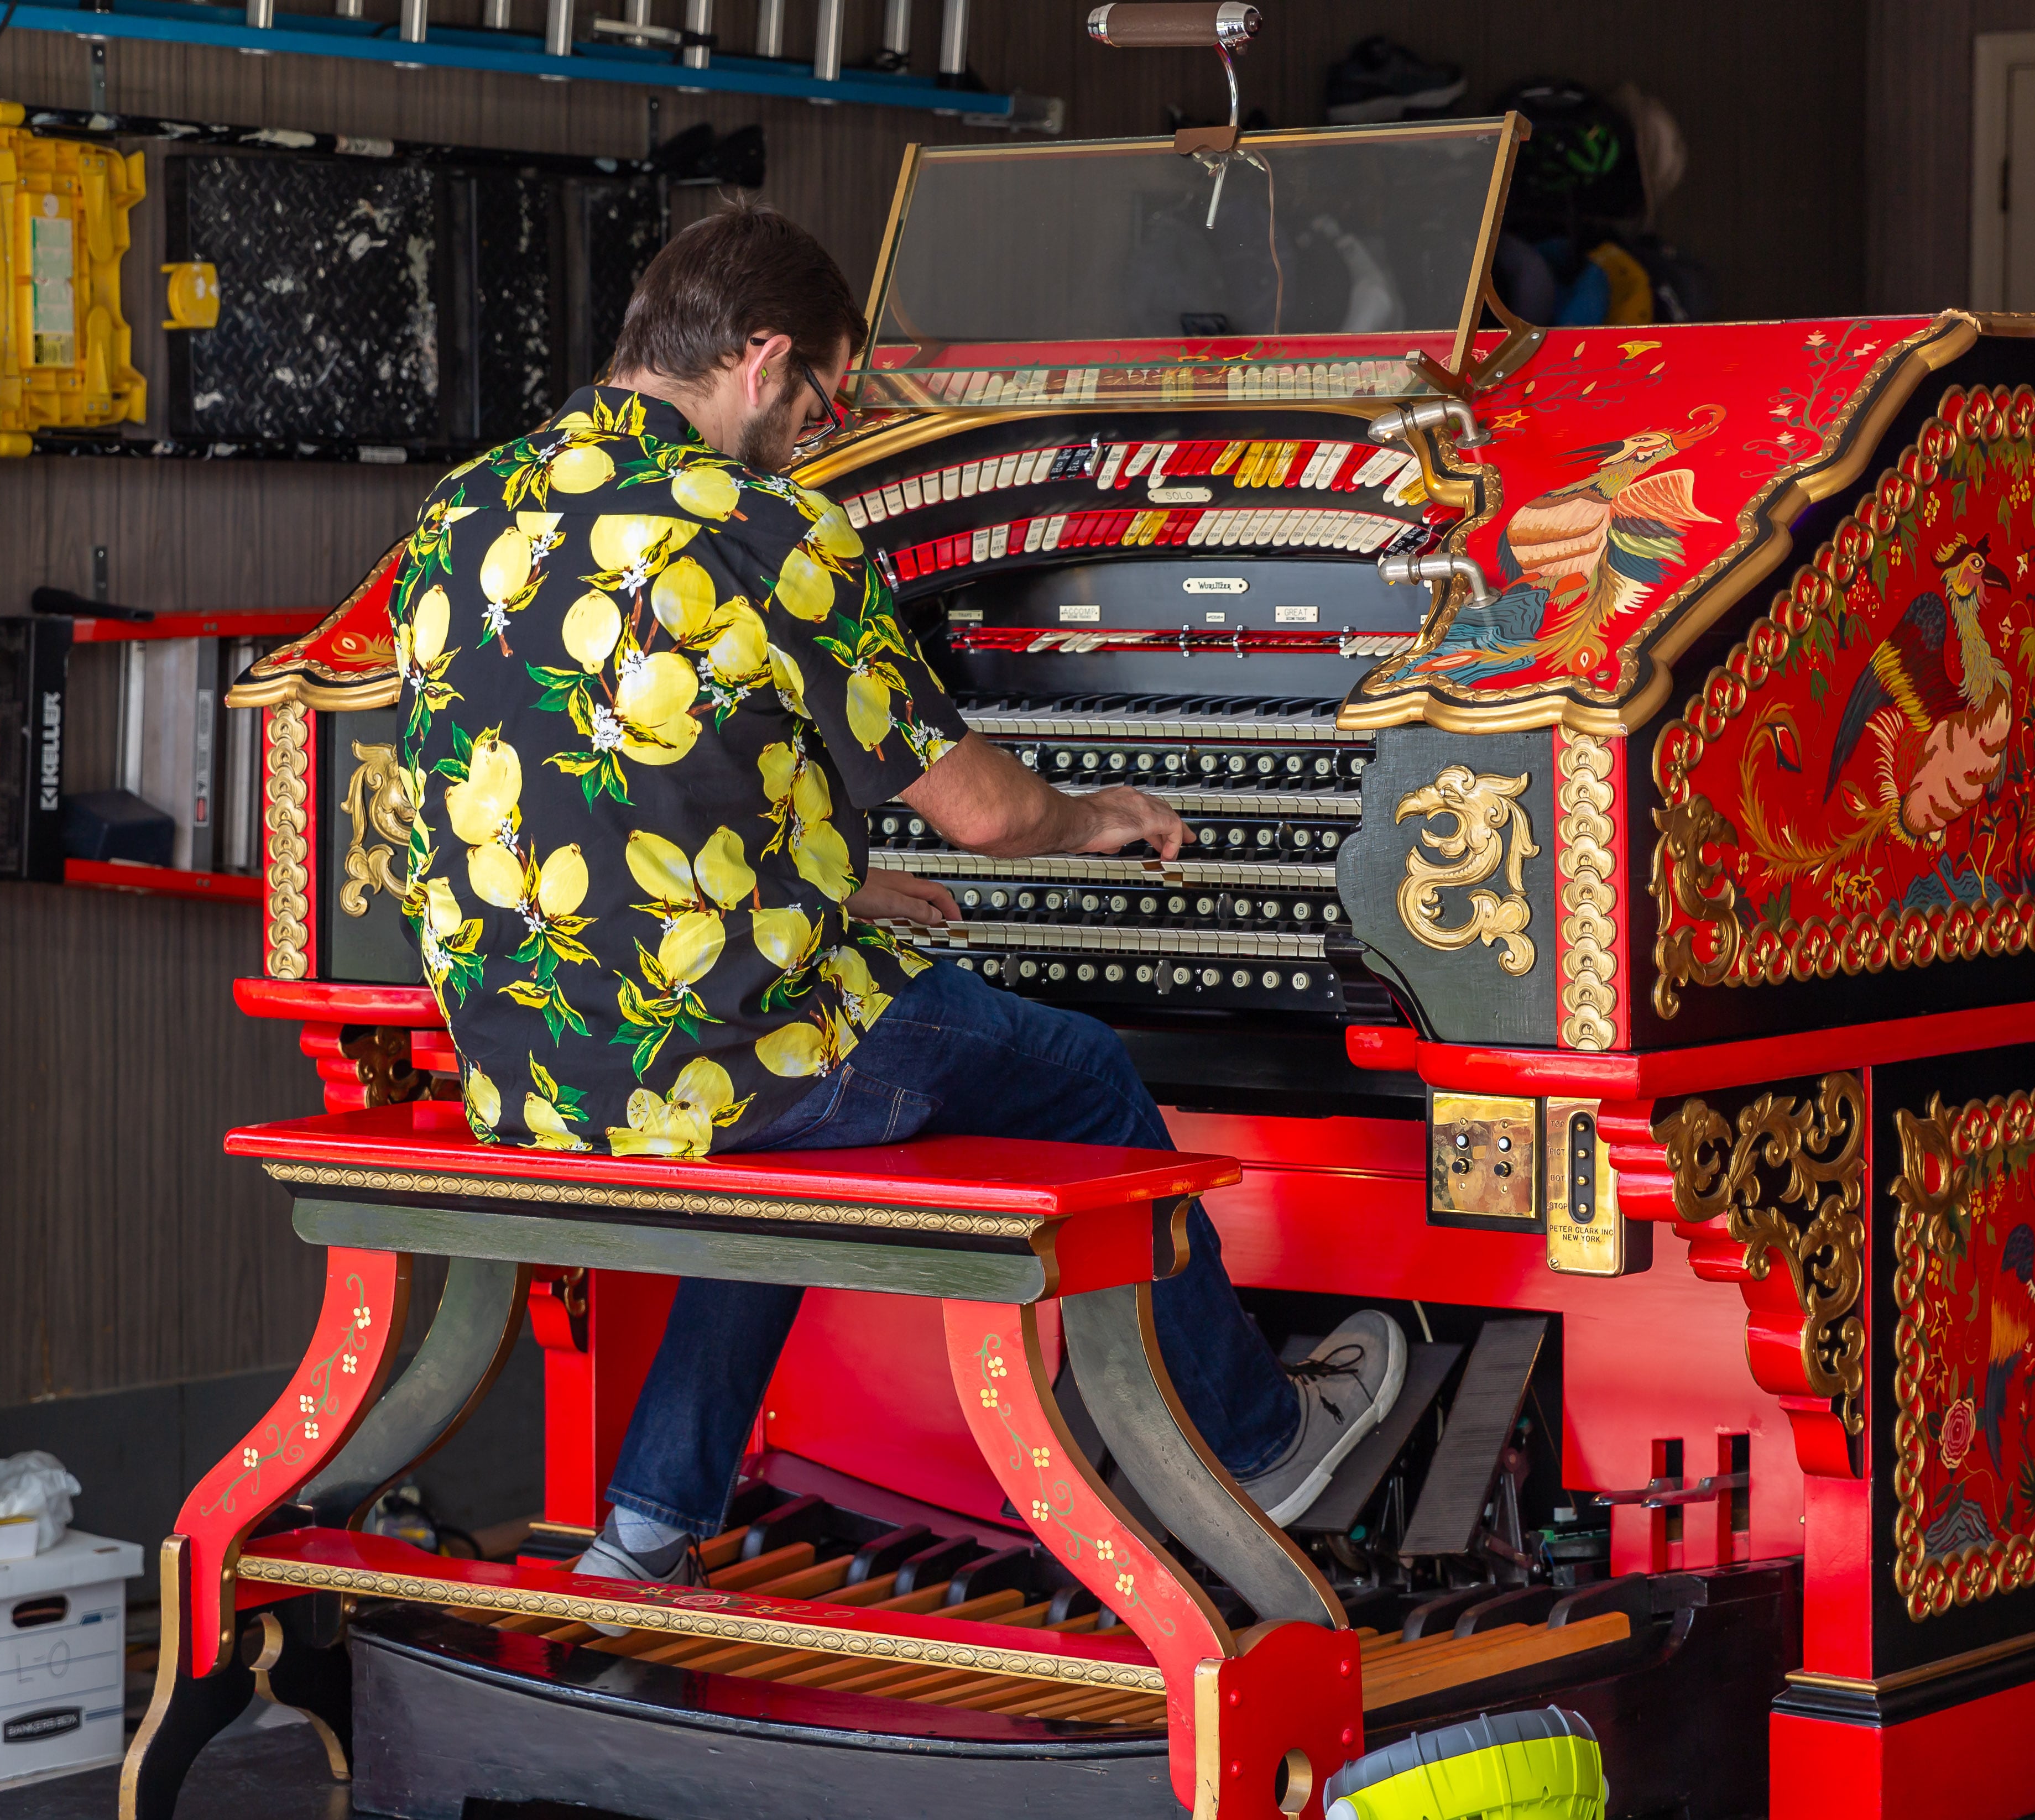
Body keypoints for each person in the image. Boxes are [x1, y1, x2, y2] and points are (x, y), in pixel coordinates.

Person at [388, 200, 1405, 1588]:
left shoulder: (465, 509)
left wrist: (839, 878)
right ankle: (1259, 1436)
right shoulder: (756, 526)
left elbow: (600, 761)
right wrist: (1099, 812)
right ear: (760, 356)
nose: (818, 431)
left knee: (772, 1140)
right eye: (819, 398)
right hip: (730, 1058)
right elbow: (986, 810)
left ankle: (646, 1528)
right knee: (1088, 1076)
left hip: (532, 1069)